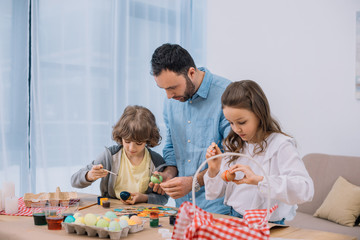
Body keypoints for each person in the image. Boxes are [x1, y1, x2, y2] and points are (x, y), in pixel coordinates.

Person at [204, 80, 314, 223]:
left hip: (267, 224)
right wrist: (214, 170)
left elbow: (305, 190)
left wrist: (259, 180)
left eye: (242, 122)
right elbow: (214, 193)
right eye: (231, 123)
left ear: (259, 114)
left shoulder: (281, 145)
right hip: (234, 217)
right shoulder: (235, 144)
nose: (236, 129)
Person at [149, 43, 231, 214]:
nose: (168, 96)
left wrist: (194, 181)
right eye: (163, 89)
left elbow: (235, 158)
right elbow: (172, 146)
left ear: (191, 73)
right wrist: (169, 173)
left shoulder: (228, 95)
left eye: (172, 88)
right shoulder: (171, 101)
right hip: (183, 208)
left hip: (220, 208)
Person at [71, 105, 168, 205]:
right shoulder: (110, 156)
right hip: (111, 212)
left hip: (143, 214)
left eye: (139, 143)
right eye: (127, 141)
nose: (131, 148)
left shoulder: (156, 162)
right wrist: (89, 176)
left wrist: (144, 198)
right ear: (121, 137)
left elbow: (163, 198)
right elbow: (74, 181)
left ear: (148, 139)